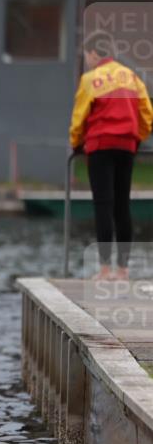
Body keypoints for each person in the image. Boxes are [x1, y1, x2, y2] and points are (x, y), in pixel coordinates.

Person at [70, 30, 153, 280]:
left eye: (87, 56)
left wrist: (76, 143)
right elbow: (147, 114)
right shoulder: (132, 77)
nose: (87, 61)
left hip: (100, 145)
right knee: (122, 206)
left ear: (94, 53)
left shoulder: (90, 79)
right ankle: (123, 270)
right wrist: (137, 137)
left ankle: (105, 269)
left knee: (103, 205)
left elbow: (79, 118)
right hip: (126, 145)